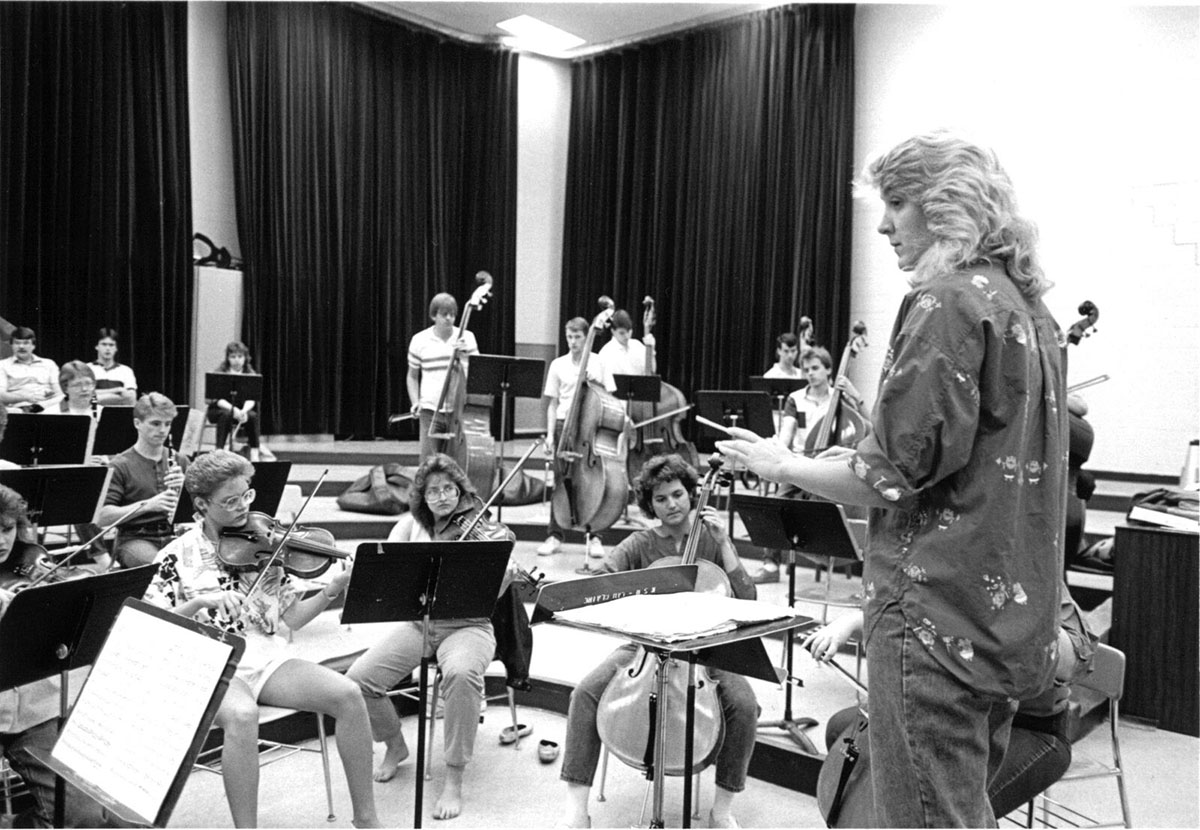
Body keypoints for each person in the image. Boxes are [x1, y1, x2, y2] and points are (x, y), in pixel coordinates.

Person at [718, 130, 1068, 826]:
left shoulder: (946, 302)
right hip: (1004, 621)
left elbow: (889, 474)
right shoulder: (1032, 313)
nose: (882, 223)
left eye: (899, 202)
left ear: (948, 206)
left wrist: (779, 463)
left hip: (934, 620)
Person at [143, 450, 380, 828]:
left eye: (246, 496)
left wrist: (333, 589)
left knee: (348, 694)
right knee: (242, 715)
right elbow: (153, 622)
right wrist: (202, 601)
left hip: (266, 656)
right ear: (202, 504)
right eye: (230, 501)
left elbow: (293, 618)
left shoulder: (262, 540)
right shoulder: (175, 555)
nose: (242, 508)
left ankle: (367, 819)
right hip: (213, 660)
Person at [557, 453, 758, 830]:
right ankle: (575, 809)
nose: (672, 505)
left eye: (678, 494)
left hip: (706, 649)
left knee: (745, 705)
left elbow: (748, 602)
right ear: (650, 505)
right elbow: (602, 582)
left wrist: (726, 545)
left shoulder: (712, 540)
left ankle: (722, 810)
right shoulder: (639, 544)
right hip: (644, 647)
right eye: (661, 499)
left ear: (692, 494)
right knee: (585, 693)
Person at [806, 582, 1098, 819]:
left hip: (1030, 728)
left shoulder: (1033, 568)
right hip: (941, 713)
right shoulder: (935, 562)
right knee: (842, 729)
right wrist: (853, 621)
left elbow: (1076, 658)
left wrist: (1009, 622)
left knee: (947, 807)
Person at [346, 453, 516, 820]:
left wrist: (502, 576)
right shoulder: (410, 526)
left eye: (449, 489)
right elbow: (390, 571)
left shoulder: (480, 528)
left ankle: (453, 777)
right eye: (433, 491)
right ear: (421, 498)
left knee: (460, 674)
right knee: (359, 680)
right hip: (420, 624)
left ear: (461, 491)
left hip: (468, 626)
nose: (442, 497)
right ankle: (394, 744)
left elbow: (494, 597)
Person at [0, 485, 109, 828]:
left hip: (33, 710)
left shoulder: (27, 561)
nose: (2, 541)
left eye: (7, 529)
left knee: (85, 814)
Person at [538, 317, 615, 558]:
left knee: (594, 482)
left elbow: (610, 398)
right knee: (560, 481)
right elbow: (551, 404)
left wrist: (593, 383)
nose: (573, 342)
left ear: (586, 336)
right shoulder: (558, 365)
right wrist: (550, 434)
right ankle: (555, 534)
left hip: (589, 428)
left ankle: (594, 536)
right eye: (569, 337)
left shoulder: (599, 362)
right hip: (563, 425)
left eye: (577, 337)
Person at [95, 392, 187, 568]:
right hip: (135, 538)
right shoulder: (120, 465)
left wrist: (186, 490)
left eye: (167, 424)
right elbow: (102, 517)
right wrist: (148, 505)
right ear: (137, 423)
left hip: (175, 535)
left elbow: (202, 506)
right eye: (155, 423)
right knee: (161, 567)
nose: (163, 431)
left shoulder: (180, 460)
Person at [407, 293, 479, 462]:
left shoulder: (467, 338)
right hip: (430, 410)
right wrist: (415, 401)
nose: (449, 319)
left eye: (453, 314)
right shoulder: (419, 340)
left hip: (460, 410)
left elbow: (477, 375)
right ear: (434, 315)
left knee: (458, 463)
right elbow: (412, 376)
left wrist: (465, 355)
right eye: (444, 314)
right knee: (428, 463)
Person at [207, 341, 266, 462]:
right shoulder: (220, 373)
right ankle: (220, 452)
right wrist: (234, 410)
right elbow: (218, 400)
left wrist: (243, 411)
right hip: (220, 410)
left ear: (245, 358)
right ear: (228, 358)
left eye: (240, 357)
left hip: (241, 410)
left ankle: (255, 454)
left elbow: (251, 398)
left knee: (253, 416)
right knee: (226, 415)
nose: (237, 360)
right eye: (233, 357)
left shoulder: (250, 374)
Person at [0, 327, 63, 413]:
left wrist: (44, 404)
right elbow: (1, 395)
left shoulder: (49, 364)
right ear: (11, 345)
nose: (21, 347)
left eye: (26, 343)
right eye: (17, 343)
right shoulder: (2, 365)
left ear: (33, 346)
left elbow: (59, 393)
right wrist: (26, 397)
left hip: (46, 407)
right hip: (18, 409)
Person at [597, 309, 654, 377]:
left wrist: (651, 349)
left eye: (629, 331)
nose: (627, 336)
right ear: (613, 331)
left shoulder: (637, 346)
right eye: (622, 333)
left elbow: (651, 372)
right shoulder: (606, 353)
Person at [88, 327, 137, 405]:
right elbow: (85, 397)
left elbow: (131, 398)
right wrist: (118, 390)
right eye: (104, 344)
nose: (108, 348)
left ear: (116, 348)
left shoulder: (126, 370)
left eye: (111, 345)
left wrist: (98, 396)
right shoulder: (87, 369)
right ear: (96, 346)